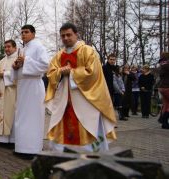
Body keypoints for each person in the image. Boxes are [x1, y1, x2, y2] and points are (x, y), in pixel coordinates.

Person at [46, 22, 116, 152]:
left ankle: (89, 152)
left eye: (69, 35)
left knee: (86, 123)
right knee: (63, 122)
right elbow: (50, 73)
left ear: (76, 34)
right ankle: (62, 151)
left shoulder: (87, 51)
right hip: (64, 99)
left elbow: (93, 73)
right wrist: (60, 71)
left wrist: (71, 72)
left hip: (85, 97)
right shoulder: (59, 55)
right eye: (63, 36)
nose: (66, 38)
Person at [11, 24, 49, 158]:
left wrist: (26, 60)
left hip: (34, 86)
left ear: (33, 33)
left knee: (33, 118)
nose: (23, 34)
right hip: (23, 86)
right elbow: (19, 68)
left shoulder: (39, 47)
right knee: (22, 117)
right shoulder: (22, 48)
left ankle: (33, 149)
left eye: (26, 32)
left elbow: (45, 66)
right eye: (21, 32)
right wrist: (15, 67)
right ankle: (21, 147)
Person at [0, 39, 18, 147]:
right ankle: (3, 140)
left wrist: (4, 74)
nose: (7, 49)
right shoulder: (2, 61)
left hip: (11, 91)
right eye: (5, 47)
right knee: (0, 113)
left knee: (10, 114)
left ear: (14, 47)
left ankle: (12, 140)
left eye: (9, 47)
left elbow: (17, 74)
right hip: (0, 92)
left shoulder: (17, 59)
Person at [158, 52, 169, 129]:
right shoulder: (168, 65)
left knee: (166, 104)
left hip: (162, 87)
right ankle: (163, 119)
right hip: (167, 87)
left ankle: (164, 124)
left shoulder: (161, 66)